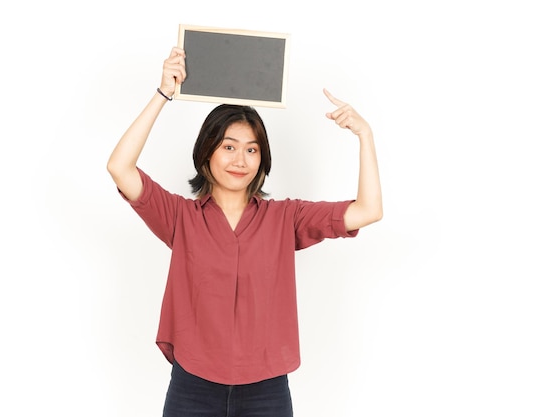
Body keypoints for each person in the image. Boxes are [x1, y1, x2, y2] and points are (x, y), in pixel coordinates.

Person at [107, 46, 382, 417]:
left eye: (252, 150)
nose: (240, 160)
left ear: (262, 159)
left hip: (265, 391)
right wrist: (162, 94)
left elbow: (368, 210)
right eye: (228, 146)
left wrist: (365, 135)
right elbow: (120, 167)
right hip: (193, 387)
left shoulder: (287, 218)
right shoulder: (180, 217)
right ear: (207, 153)